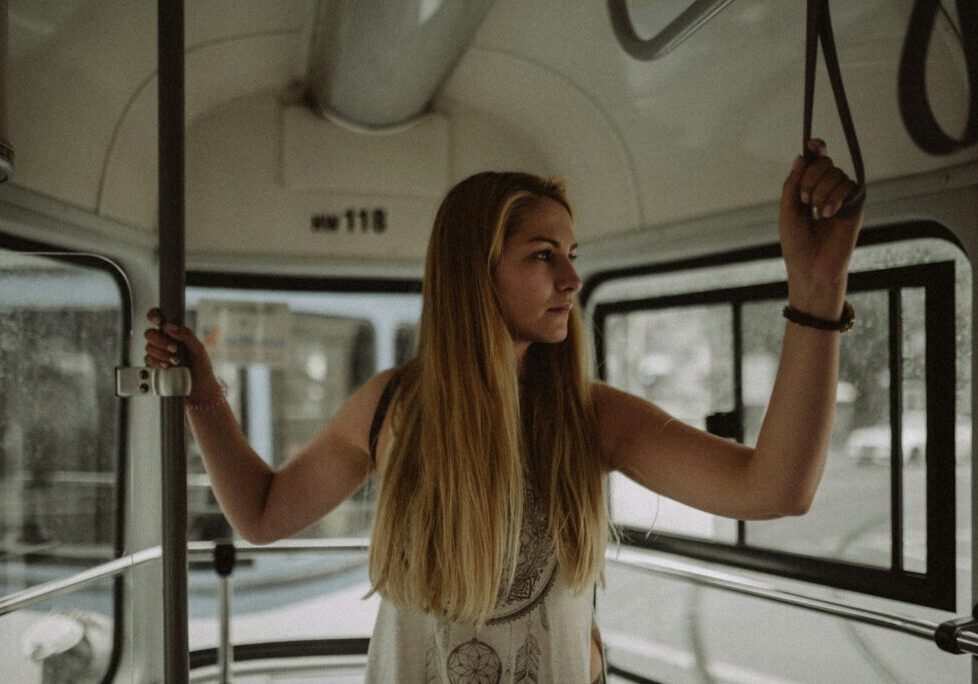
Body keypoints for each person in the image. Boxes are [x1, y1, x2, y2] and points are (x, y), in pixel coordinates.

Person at [144, 139, 862, 683]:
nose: (572, 278)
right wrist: (204, 397)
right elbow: (264, 514)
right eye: (543, 254)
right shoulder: (391, 407)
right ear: (473, 270)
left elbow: (774, 489)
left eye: (572, 254)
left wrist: (817, 285)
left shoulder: (592, 416)